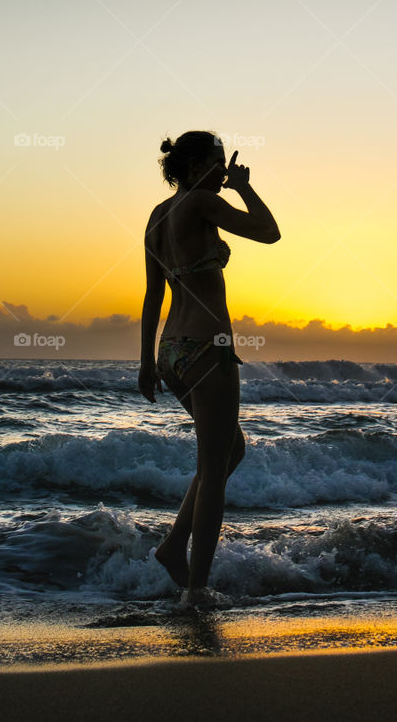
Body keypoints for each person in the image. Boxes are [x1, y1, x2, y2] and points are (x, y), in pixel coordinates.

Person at [138, 130, 280, 605]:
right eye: (219, 164)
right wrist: (243, 187)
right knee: (215, 471)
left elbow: (153, 296)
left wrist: (145, 362)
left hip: (172, 352)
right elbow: (268, 230)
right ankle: (196, 589)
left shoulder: (157, 218)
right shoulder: (201, 203)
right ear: (196, 165)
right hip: (208, 348)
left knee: (228, 451)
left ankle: (175, 547)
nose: (224, 171)